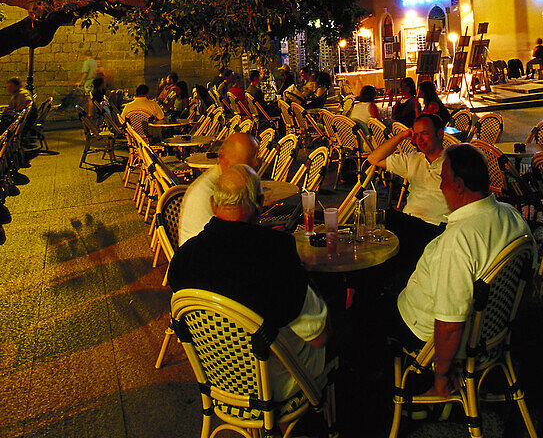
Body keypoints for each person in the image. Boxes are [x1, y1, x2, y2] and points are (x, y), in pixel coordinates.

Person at [169, 164, 329, 402]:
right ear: (261, 202)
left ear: (213, 204)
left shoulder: (183, 259)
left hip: (218, 379)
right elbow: (317, 337)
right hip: (275, 383)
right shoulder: (276, 254)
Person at [394, 143, 533, 397]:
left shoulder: (459, 241)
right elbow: (526, 280)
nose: (440, 187)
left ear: (458, 185)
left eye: (443, 179)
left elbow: (450, 326)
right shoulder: (513, 216)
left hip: (426, 335)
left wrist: (441, 380)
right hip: (492, 330)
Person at [367, 114, 449, 274]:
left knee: (383, 254)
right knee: (368, 243)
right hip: (407, 223)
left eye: (424, 133)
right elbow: (373, 158)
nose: (419, 139)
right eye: (416, 134)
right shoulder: (412, 160)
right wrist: (403, 135)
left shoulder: (454, 162)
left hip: (435, 229)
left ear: (440, 134)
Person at [178, 131, 260, 245]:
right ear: (223, 158)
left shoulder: (229, 184)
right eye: (250, 156)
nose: (256, 163)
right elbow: (223, 245)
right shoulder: (207, 192)